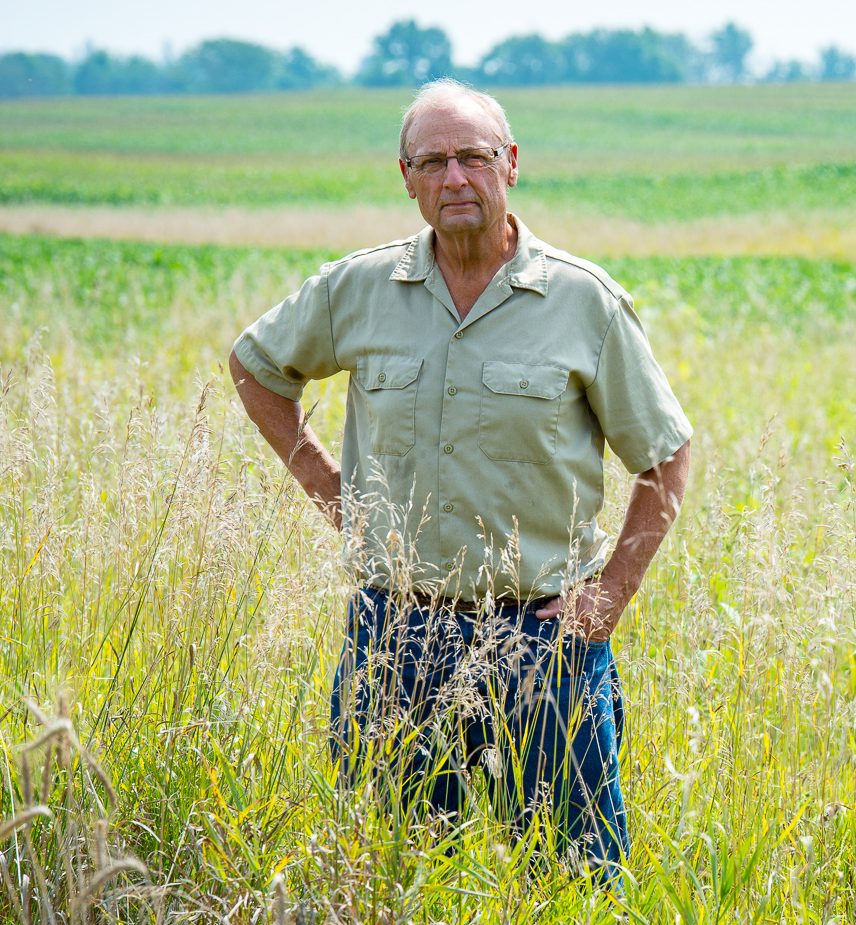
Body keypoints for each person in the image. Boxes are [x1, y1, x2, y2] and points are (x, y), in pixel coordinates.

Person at [228, 78, 692, 885]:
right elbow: (256, 366)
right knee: (392, 874)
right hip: (395, 634)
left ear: (510, 164)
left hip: (544, 640)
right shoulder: (359, 289)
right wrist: (330, 486)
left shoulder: (582, 300)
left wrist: (610, 594)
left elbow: (665, 457)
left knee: (572, 882)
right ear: (404, 177)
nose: (455, 179)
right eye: (432, 161)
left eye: (473, 157)